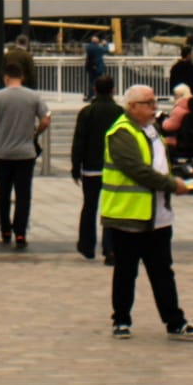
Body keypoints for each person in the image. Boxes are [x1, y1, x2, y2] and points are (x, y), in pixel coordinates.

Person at [100, 84, 193, 340]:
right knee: (126, 270)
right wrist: (172, 185)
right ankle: (121, 320)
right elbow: (137, 170)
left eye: (154, 102)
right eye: (148, 103)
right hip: (129, 215)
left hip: (157, 214)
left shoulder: (152, 130)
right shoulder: (121, 132)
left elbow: (160, 164)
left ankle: (174, 321)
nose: (154, 107)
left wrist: (179, 179)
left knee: (162, 270)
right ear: (132, 106)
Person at [0, 64, 51, 249]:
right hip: (25, 154)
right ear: (22, 77)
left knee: (3, 194)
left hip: (3, 153)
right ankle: (20, 233)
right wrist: (36, 132)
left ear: (6, 78)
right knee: (23, 195)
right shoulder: (33, 96)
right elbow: (46, 119)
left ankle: (5, 229)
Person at [71, 73, 121, 263]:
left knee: (89, 206)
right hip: (113, 168)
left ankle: (86, 245)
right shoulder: (119, 112)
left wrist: (76, 167)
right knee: (111, 209)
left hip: (91, 168)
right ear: (113, 90)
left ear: (95, 90)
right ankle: (110, 248)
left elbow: (79, 141)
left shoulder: (87, 112)